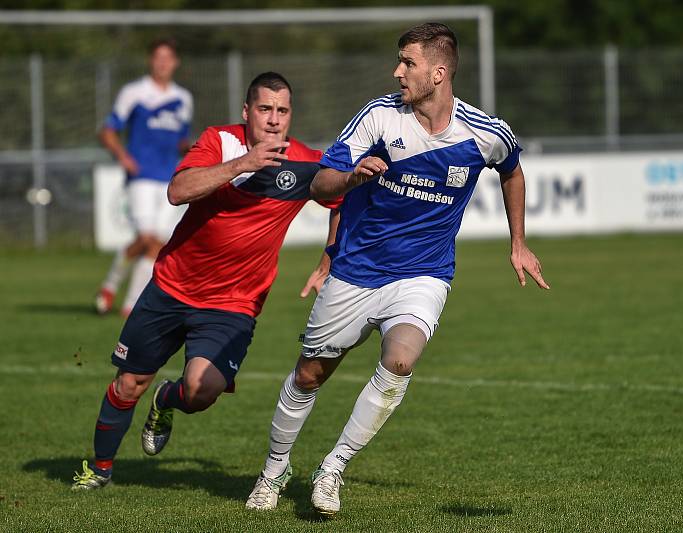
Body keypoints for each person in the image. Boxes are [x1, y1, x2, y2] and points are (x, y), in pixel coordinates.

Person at [245, 23, 549, 515]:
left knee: (401, 361)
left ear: (439, 71)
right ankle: (273, 471)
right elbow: (321, 183)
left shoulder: (484, 133)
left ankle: (332, 469)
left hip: (424, 272)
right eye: (399, 61)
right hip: (357, 271)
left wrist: (519, 241)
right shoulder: (379, 117)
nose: (398, 71)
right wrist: (350, 176)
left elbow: (512, 169)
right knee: (309, 376)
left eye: (408, 62)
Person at [71, 72, 341, 490]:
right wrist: (241, 165)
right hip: (172, 287)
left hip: (234, 304)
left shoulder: (306, 161)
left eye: (282, 111)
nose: (273, 119)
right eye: (265, 109)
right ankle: (100, 470)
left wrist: (329, 257)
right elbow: (177, 190)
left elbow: (341, 198)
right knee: (128, 383)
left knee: (201, 390)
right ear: (246, 112)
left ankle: (166, 399)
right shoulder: (219, 141)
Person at [95, 38, 193, 317]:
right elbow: (108, 130)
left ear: (175, 63)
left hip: (170, 180)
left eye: (168, 58)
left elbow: (181, 139)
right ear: (151, 61)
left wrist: (191, 150)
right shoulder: (134, 92)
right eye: (158, 57)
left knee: (156, 243)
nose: (163, 63)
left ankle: (129, 304)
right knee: (147, 238)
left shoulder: (183, 98)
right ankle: (113, 286)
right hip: (141, 177)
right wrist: (123, 157)